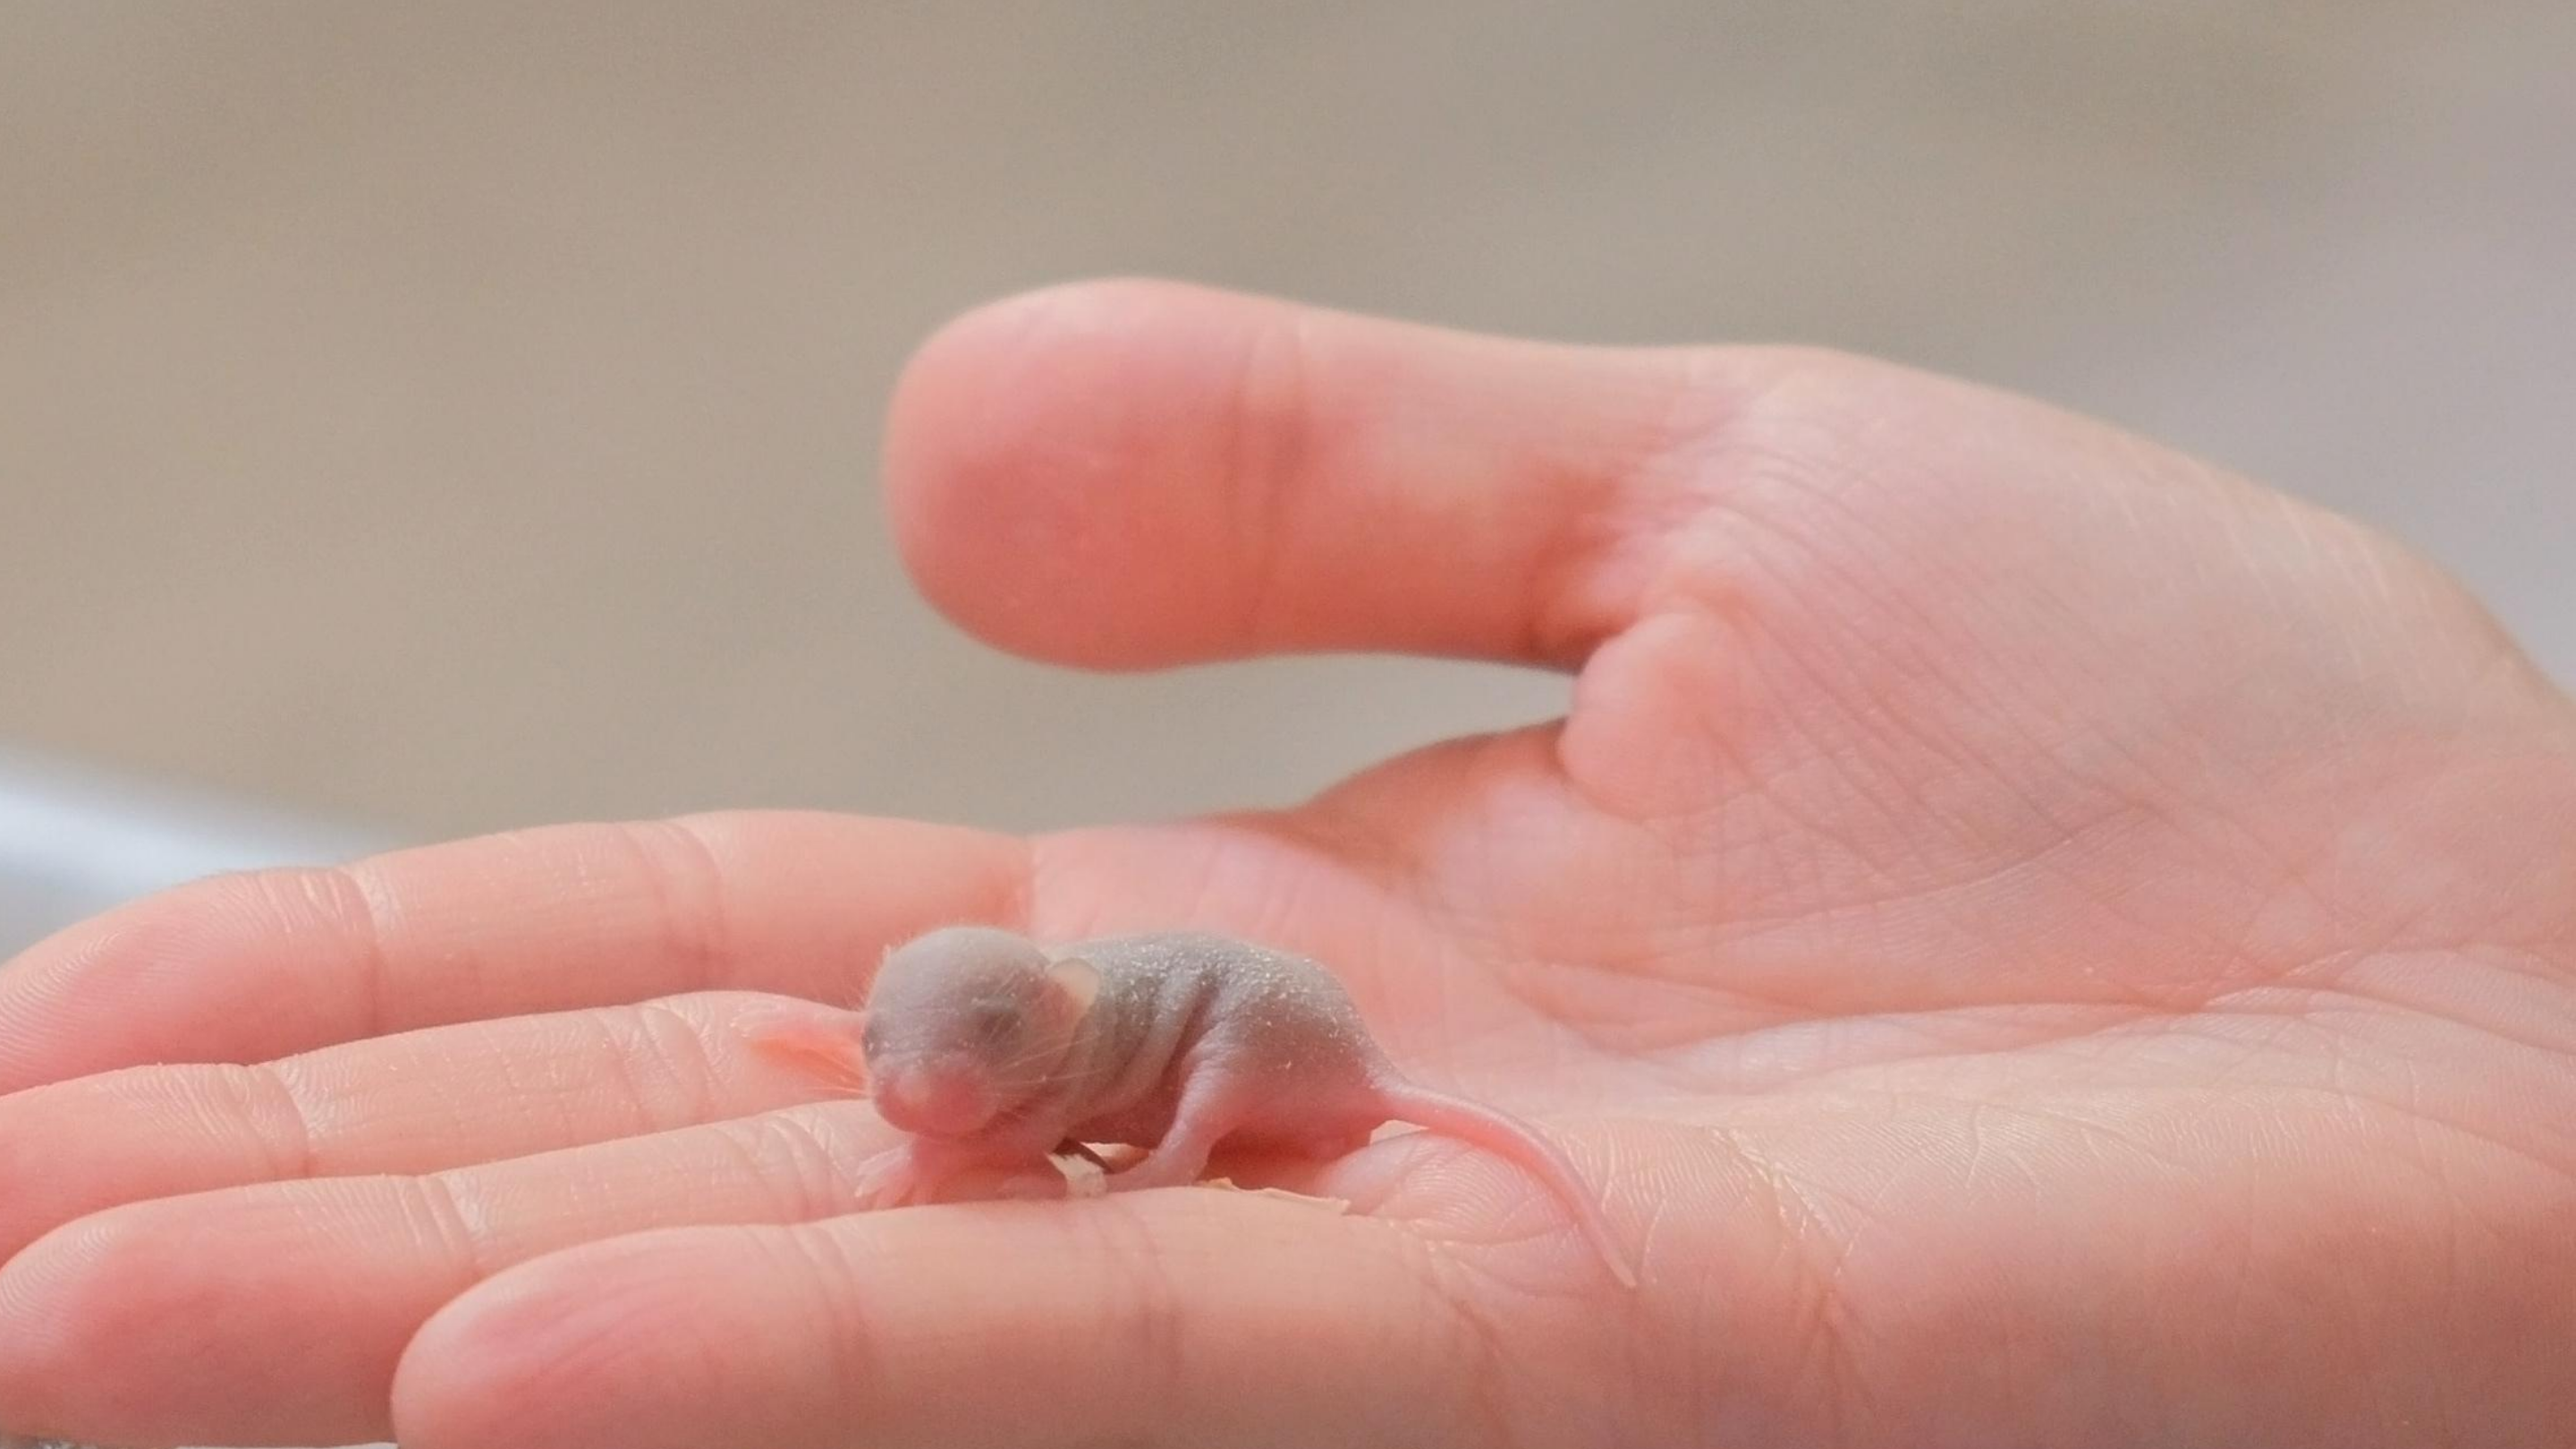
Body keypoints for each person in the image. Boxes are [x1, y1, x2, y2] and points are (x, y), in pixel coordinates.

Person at [0, 280, 2569, 1449]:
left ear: (1022, 1029)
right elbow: (936, 1082)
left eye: (949, 1060)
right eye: (911, 1056)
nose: (915, 1097)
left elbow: (1065, 1094)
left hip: (1279, 1065)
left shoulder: (1119, 1032)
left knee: (1190, 1079)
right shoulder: (985, 1032)